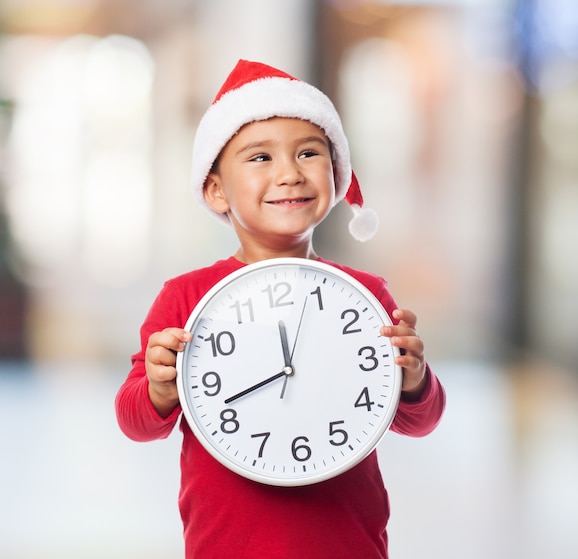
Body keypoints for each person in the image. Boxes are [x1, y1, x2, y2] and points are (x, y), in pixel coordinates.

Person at [115, 59, 446, 559]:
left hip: (349, 545)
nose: (289, 173)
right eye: (260, 158)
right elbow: (134, 420)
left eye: (309, 153)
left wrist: (416, 379)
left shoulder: (366, 295)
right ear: (215, 189)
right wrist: (161, 388)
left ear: (336, 177)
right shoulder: (185, 298)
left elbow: (418, 420)